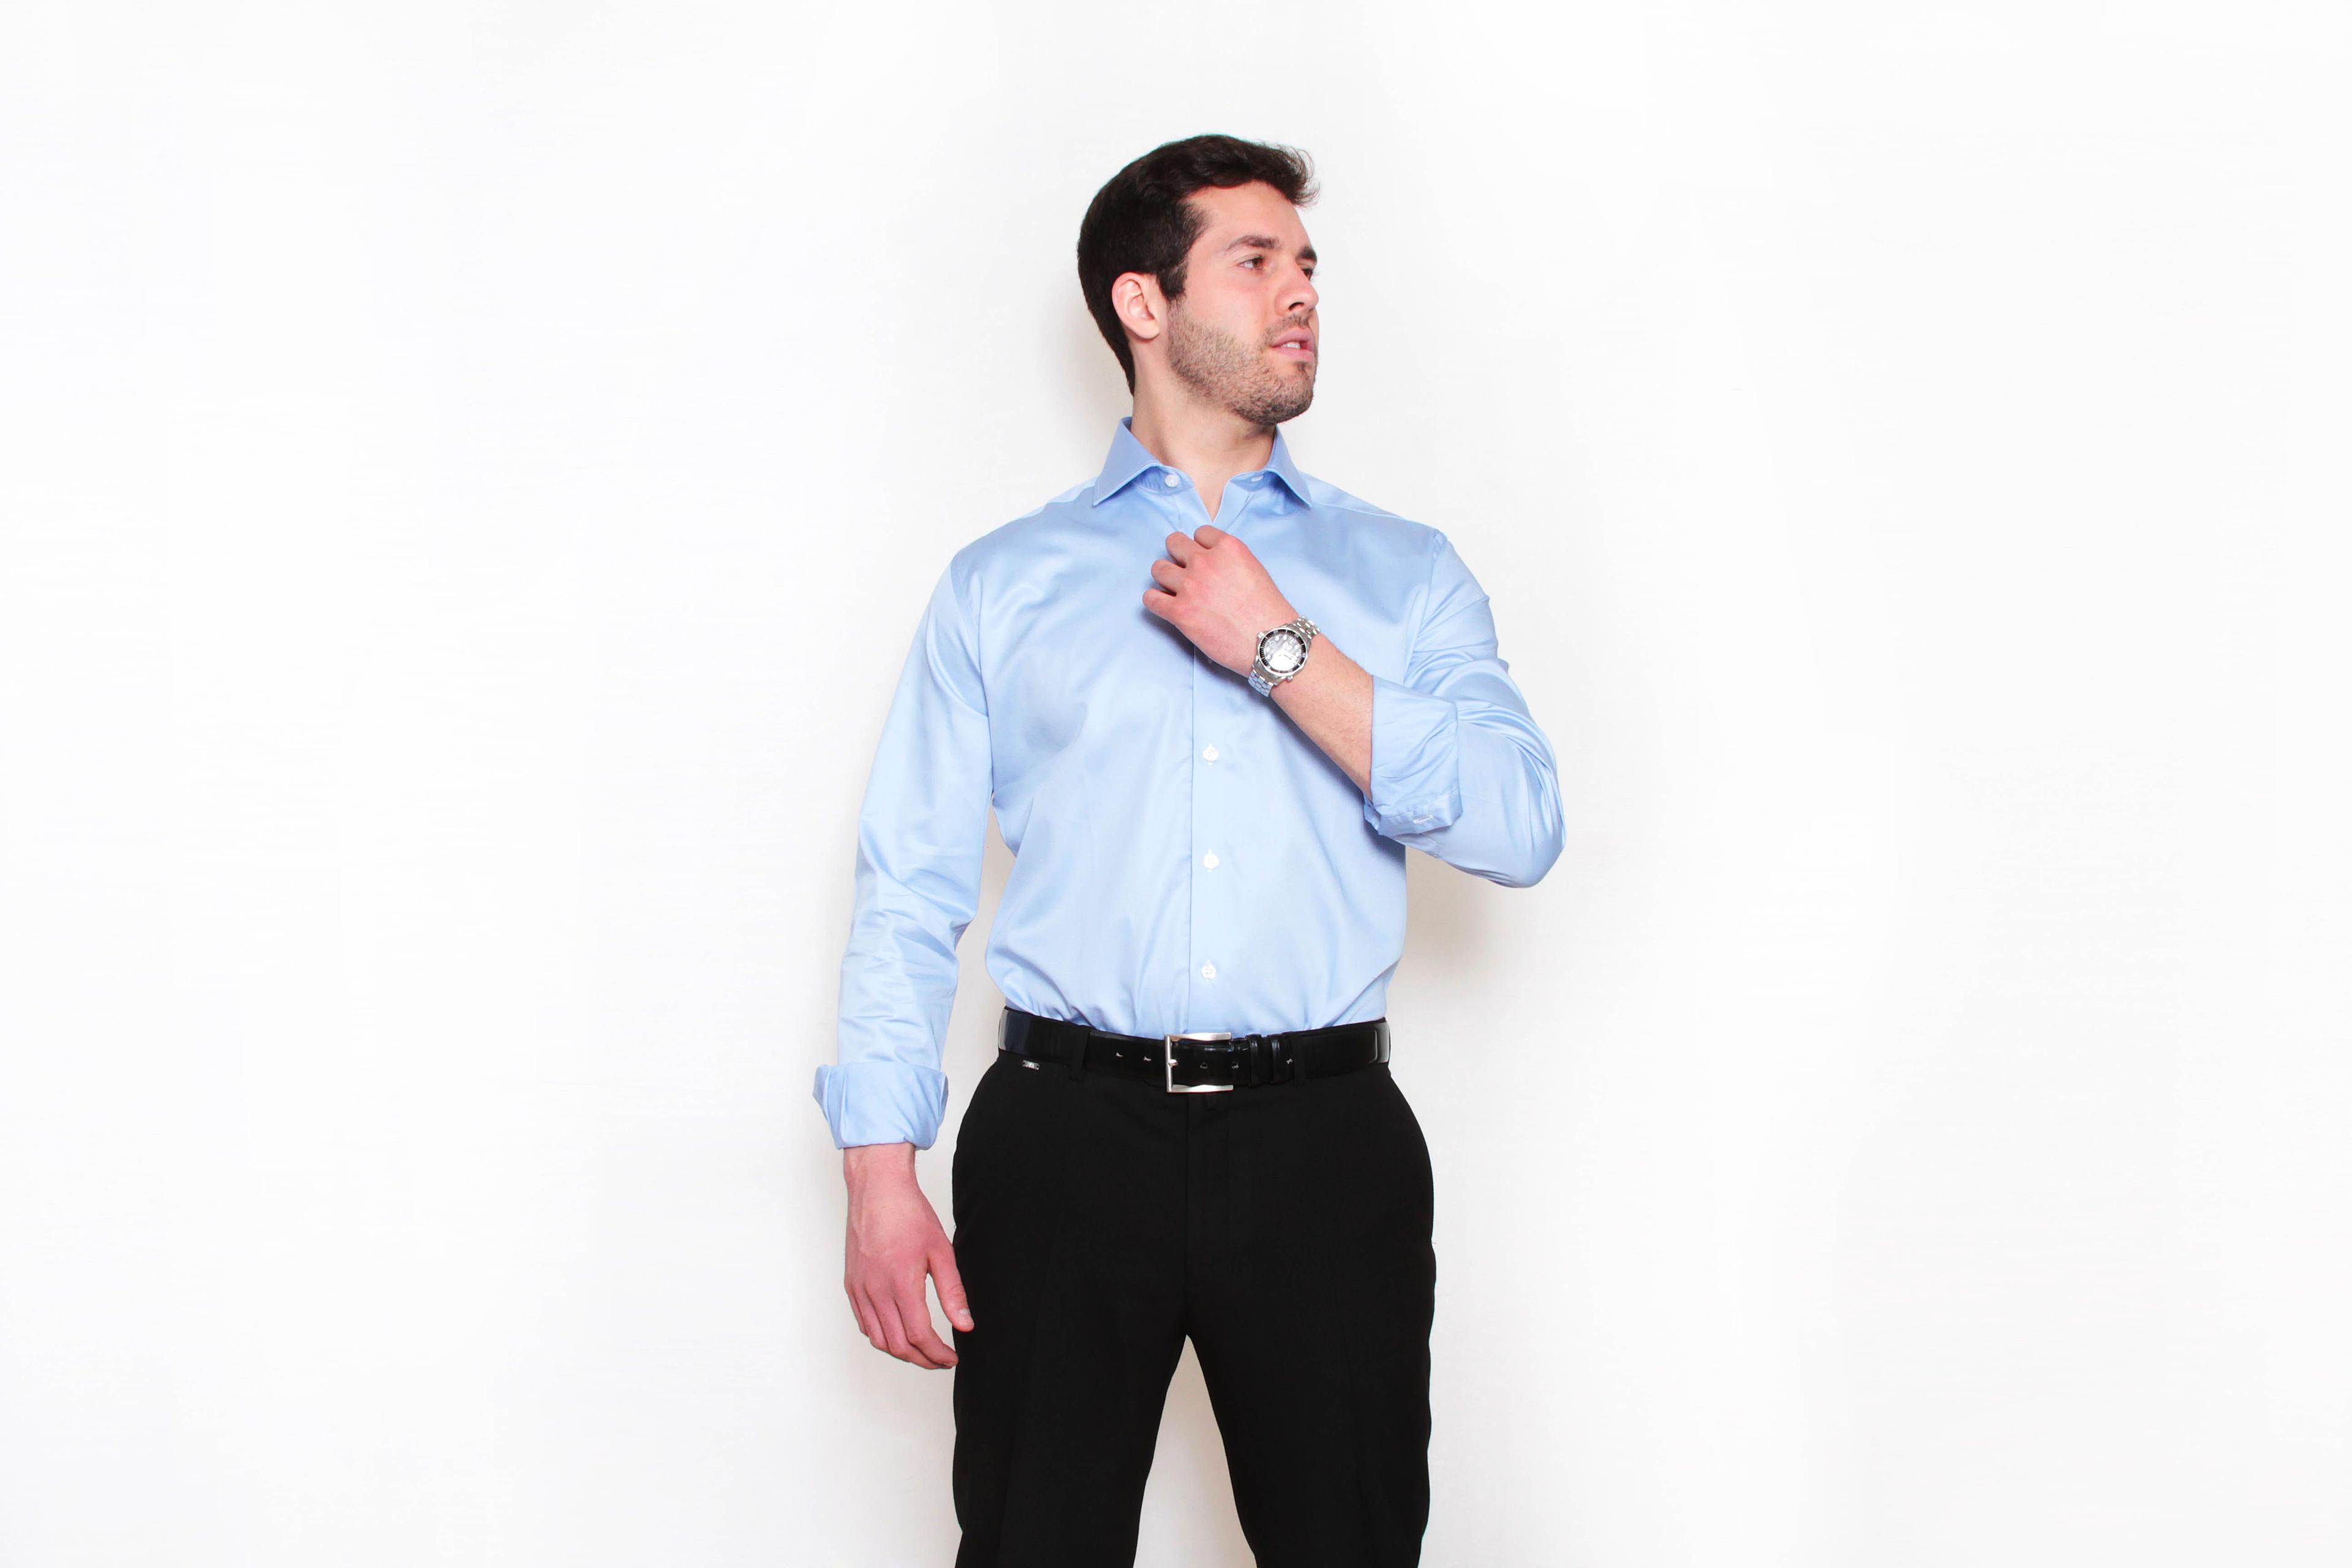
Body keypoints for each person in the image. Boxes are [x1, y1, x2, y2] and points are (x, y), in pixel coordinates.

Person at [812, 132, 1566, 1567]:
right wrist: (877, 1170)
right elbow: (907, 886)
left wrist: (1280, 646)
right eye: (1256, 259)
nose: (1302, 293)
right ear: (1142, 303)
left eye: (1309, 264)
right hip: (1061, 1138)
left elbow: (1520, 823)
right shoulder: (1002, 584)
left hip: (1324, 1140)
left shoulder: (1404, 572)